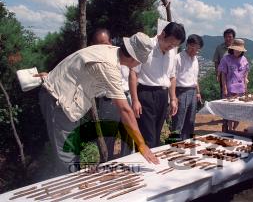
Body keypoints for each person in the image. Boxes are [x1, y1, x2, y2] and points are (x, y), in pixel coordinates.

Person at [38, 32, 159, 173]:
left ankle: (71, 180)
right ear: (134, 59)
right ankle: (65, 190)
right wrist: (142, 145)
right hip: (58, 101)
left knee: (71, 149)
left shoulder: (111, 51)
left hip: (65, 100)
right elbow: (125, 110)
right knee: (66, 155)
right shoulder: (109, 65)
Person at [129, 22, 186, 148]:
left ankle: (152, 164)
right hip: (146, 94)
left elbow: (172, 76)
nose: (171, 47)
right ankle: (144, 164)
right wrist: (135, 100)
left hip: (163, 95)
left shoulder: (171, 51)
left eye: (175, 45)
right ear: (163, 34)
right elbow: (133, 73)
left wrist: (173, 99)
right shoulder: (146, 45)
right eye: (170, 43)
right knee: (147, 138)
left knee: (156, 135)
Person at [89, 29, 134, 160]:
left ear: (110, 41)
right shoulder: (94, 59)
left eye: (104, 42)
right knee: (108, 137)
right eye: (97, 44)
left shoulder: (121, 54)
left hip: (126, 98)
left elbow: (131, 75)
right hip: (108, 102)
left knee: (128, 136)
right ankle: (107, 164)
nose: (101, 46)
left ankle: (127, 163)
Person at [171, 34, 203, 140]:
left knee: (190, 121)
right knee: (178, 121)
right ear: (189, 45)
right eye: (195, 47)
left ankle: (187, 143)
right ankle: (173, 145)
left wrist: (198, 93)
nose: (196, 50)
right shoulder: (178, 58)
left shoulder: (196, 60)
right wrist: (173, 97)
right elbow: (173, 78)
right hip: (181, 92)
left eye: (198, 48)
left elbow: (195, 78)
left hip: (193, 92)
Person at [218, 38, 250, 131]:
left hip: (241, 89)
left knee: (239, 112)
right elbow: (223, 74)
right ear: (232, 48)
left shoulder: (244, 59)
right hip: (230, 88)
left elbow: (246, 73)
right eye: (236, 49)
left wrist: (246, 86)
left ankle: (234, 129)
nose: (238, 51)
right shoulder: (226, 58)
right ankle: (230, 129)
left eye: (240, 50)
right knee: (229, 111)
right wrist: (224, 87)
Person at [213, 28, 236, 97]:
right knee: (224, 93)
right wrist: (217, 74)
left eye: (230, 37)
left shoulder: (237, 48)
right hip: (223, 75)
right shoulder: (219, 48)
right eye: (226, 37)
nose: (228, 38)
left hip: (235, 75)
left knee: (235, 94)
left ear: (233, 38)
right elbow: (216, 61)